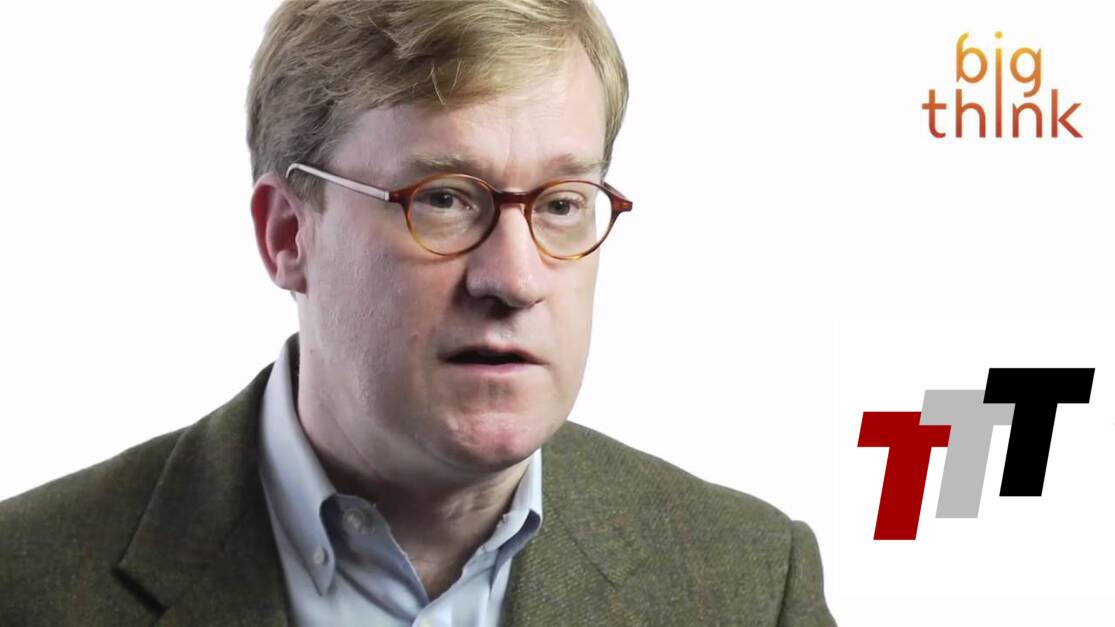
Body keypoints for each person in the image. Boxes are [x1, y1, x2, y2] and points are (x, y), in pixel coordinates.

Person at [0, 1, 836, 625]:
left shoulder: (751, 583)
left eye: (559, 204)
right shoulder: (25, 584)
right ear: (288, 234)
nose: (514, 279)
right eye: (443, 198)